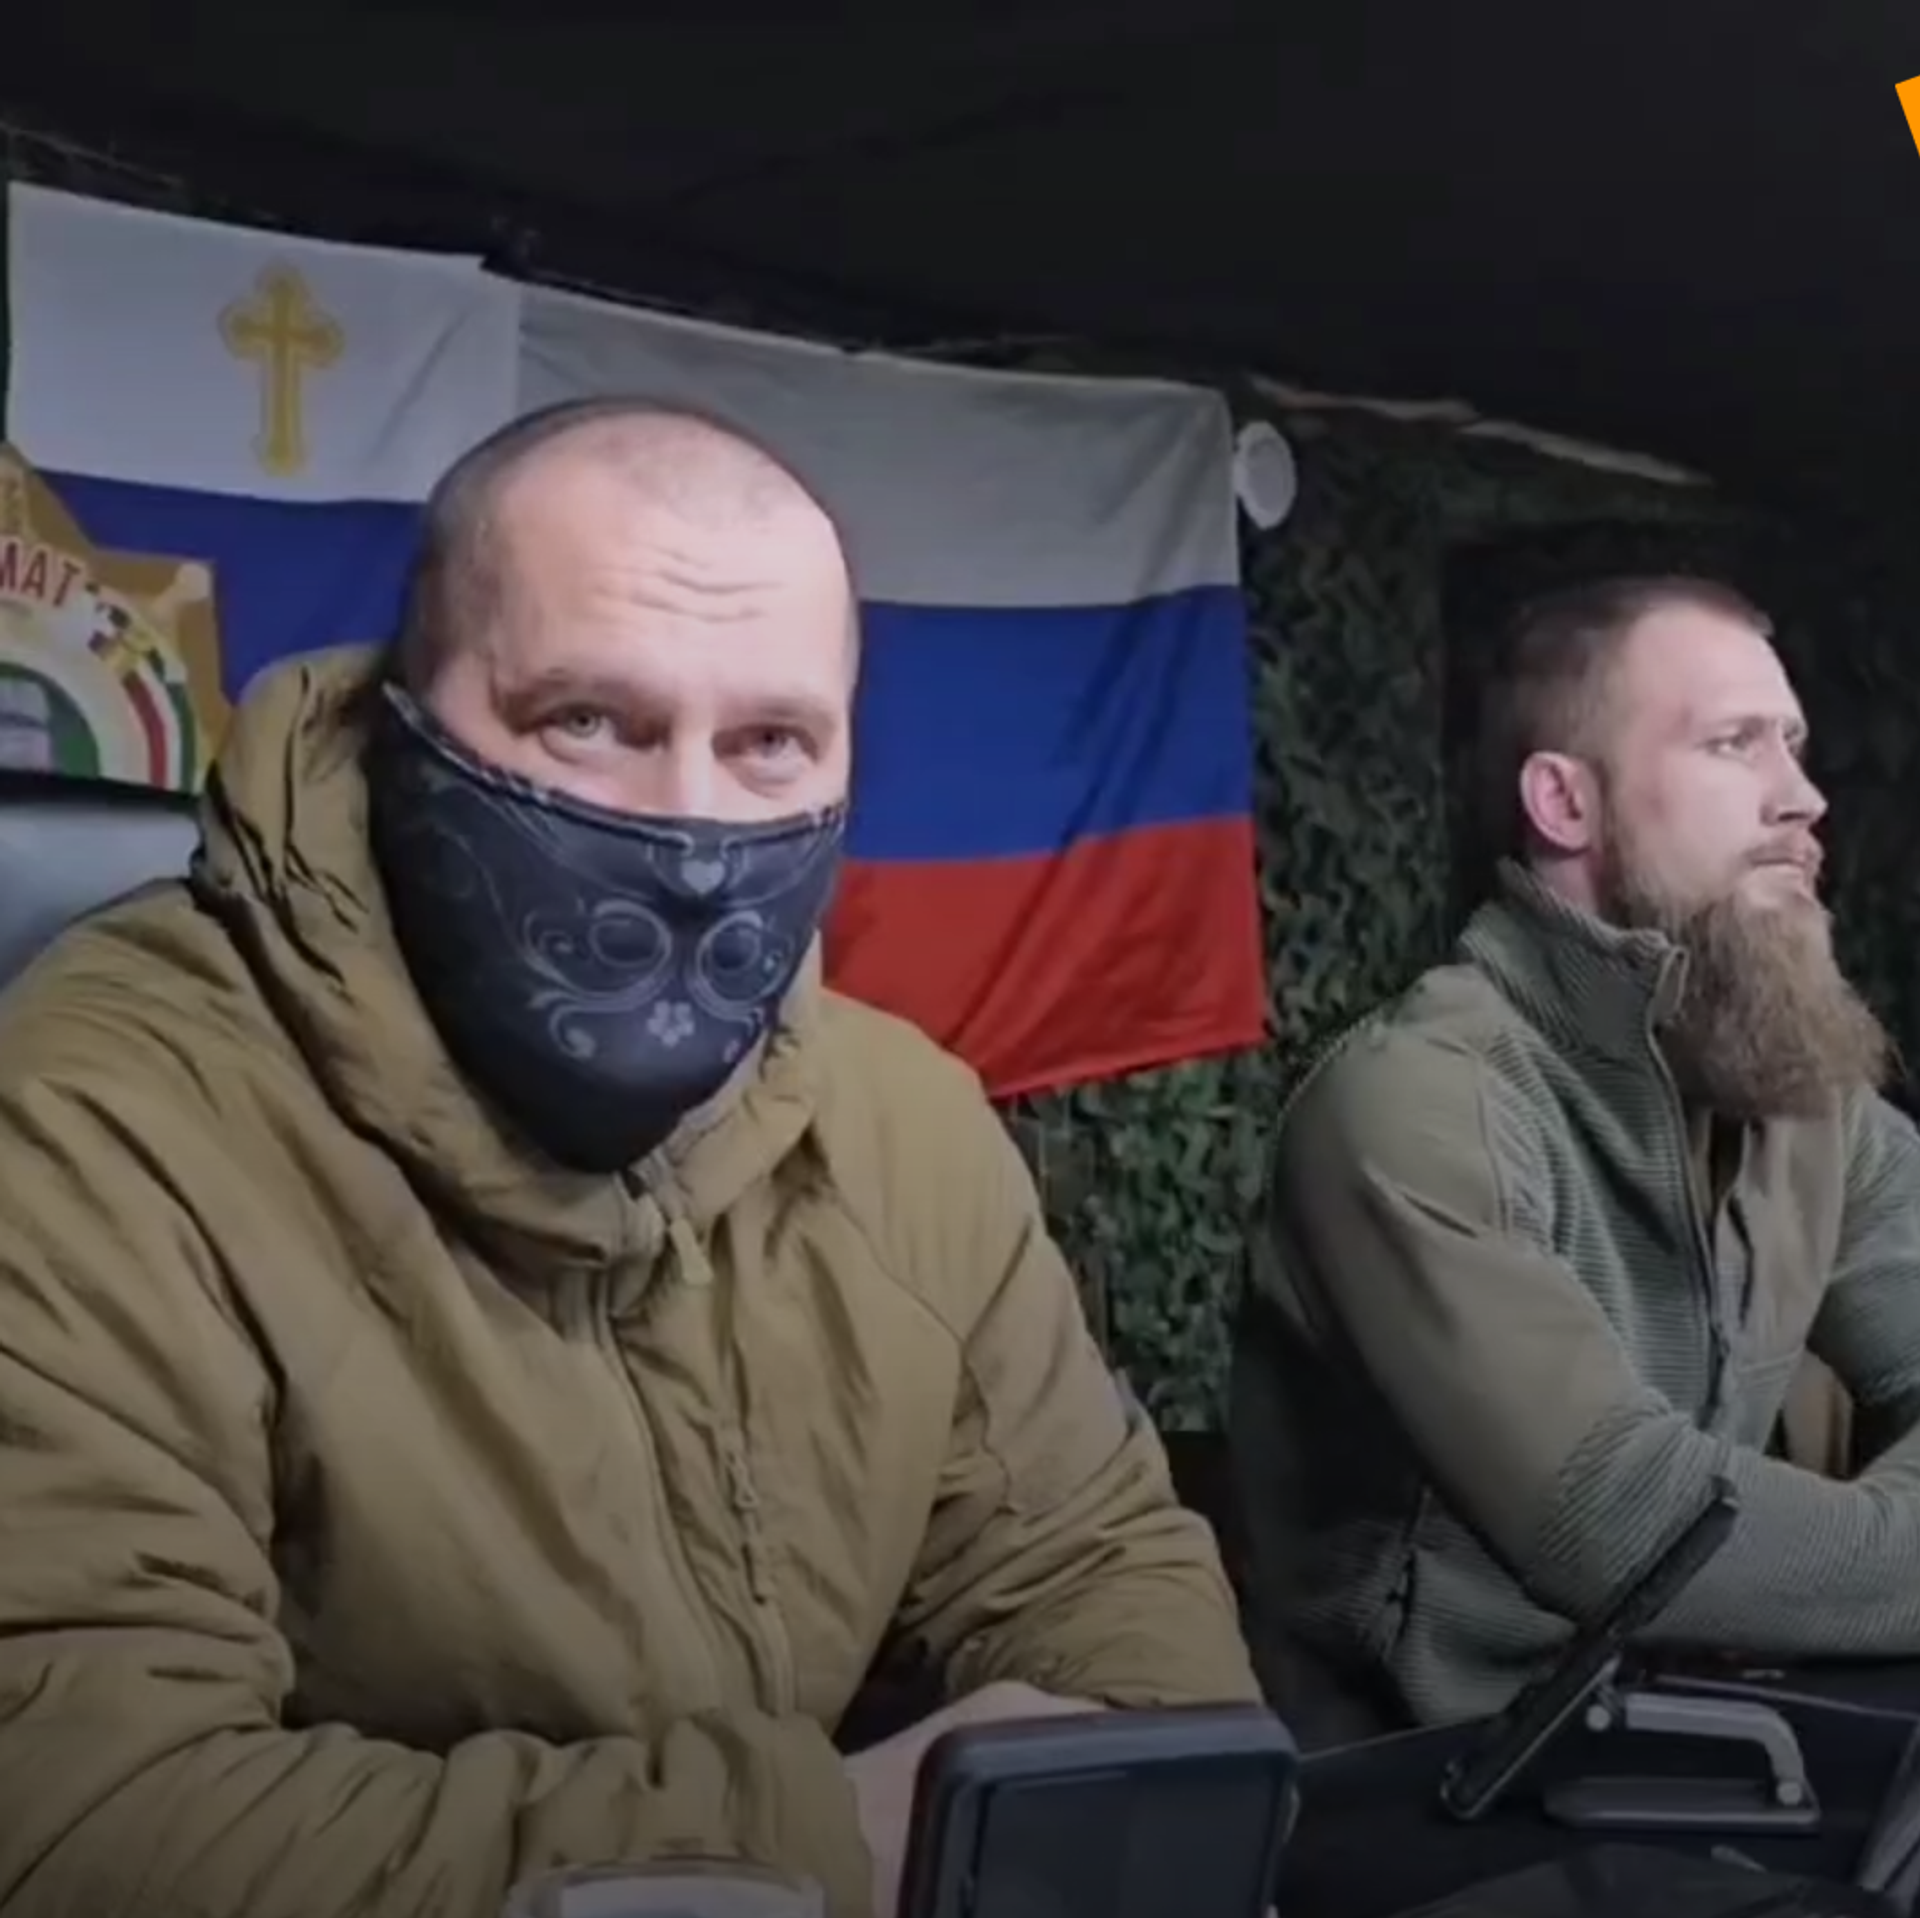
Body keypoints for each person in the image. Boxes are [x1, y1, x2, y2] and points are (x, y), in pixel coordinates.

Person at [0, 399, 1259, 1918]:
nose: (696, 829)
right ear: (407, 724)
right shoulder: (103, 1114)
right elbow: (78, 1818)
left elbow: (1112, 1600)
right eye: (591, 722)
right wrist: (825, 1840)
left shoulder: (904, 1124)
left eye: (771, 742)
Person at [1229, 573, 1920, 1731]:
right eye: (1733, 743)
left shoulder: (1804, 1096)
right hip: (1419, 1782)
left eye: (1794, 747)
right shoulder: (1415, 1101)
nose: (1802, 798)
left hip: (1711, 1737)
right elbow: (1627, 1527)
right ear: (1564, 802)